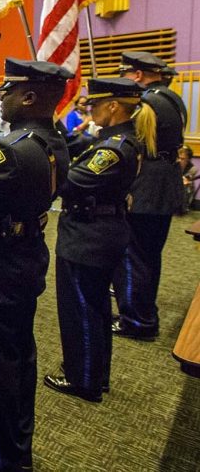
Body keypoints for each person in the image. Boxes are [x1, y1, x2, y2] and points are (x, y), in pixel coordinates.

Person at [0, 59, 73, 472]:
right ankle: (15, 448)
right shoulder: (52, 140)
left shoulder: (12, 150)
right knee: (18, 361)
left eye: (6, 91)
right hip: (24, 257)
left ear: (28, 97)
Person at [44, 77, 150, 402]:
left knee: (81, 309)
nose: (90, 110)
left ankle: (83, 380)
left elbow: (69, 183)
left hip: (89, 236)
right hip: (101, 231)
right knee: (96, 306)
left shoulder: (115, 149)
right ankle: (95, 372)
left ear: (113, 106)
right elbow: (79, 147)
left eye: (94, 104)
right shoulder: (118, 139)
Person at [112, 51, 187, 340]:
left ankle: (137, 321)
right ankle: (145, 313)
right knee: (150, 255)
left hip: (146, 187)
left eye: (125, 73)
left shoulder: (145, 103)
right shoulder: (171, 97)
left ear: (138, 74)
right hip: (166, 183)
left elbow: (135, 144)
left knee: (135, 256)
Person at [178, 146, 198, 214]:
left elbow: (184, 180)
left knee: (187, 184)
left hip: (184, 191)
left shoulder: (192, 169)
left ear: (188, 159)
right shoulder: (173, 166)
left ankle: (183, 207)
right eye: (178, 158)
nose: (179, 160)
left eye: (182, 159)